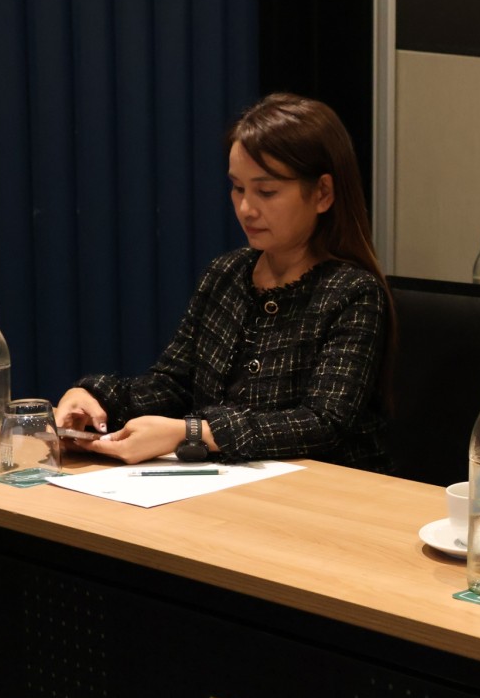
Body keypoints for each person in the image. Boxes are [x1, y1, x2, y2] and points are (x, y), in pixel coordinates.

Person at [55, 93, 394, 470]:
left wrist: (192, 431)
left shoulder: (354, 293)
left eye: (266, 191)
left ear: (322, 194)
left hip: (327, 487)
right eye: (238, 188)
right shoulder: (227, 273)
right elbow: (174, 383)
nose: (246, 208)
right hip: (230, 480)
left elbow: (322, 423)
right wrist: (96, 398)